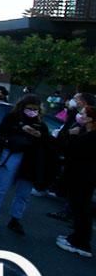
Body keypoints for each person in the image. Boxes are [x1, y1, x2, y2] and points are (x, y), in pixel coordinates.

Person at [0, 95, 52, 234]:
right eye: (29, 108)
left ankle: (15, 218)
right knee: (0, 186)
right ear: (23, 107)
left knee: (23, 192)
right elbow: (2, 132)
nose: (32, 112)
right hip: (12, 153)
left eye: (35, 109)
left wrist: (38, 135)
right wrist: (20, 129)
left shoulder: (41, 125)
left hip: (30, 158)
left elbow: (45, 142)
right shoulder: (13, 118)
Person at [58, 105, 96, 258]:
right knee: (78, 207)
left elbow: (74, 151)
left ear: (90, 119)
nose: (80, 115)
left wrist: (72, 136)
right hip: (81, 175)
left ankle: (81, 242)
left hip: (84, 176)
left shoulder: (91, 136)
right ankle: (76, 237)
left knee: (81, 208)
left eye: (83, 113)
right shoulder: (86, 133)